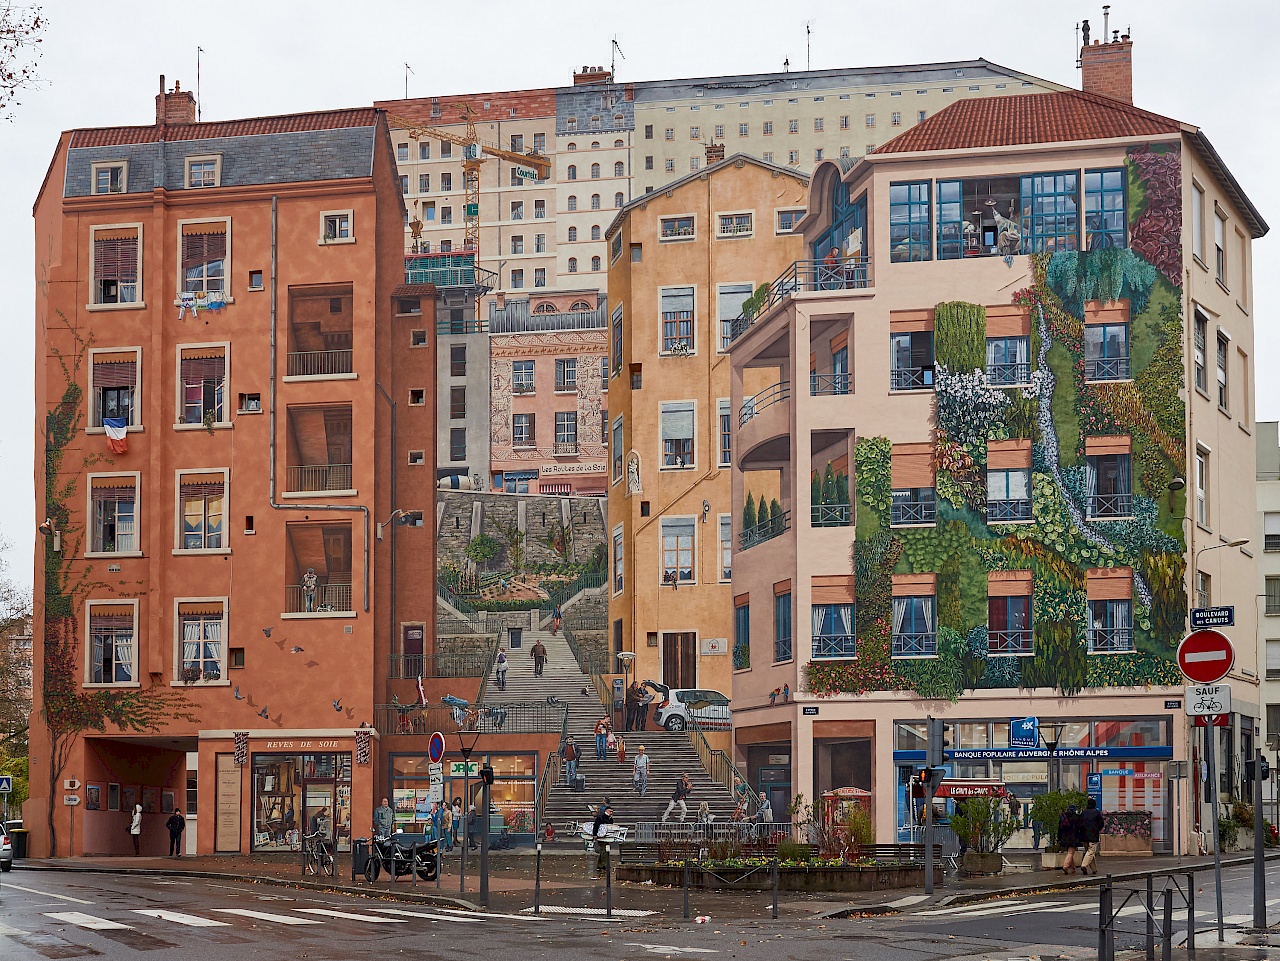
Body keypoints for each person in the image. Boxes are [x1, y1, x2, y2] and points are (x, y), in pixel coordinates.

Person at [1080, 798, 1104, 875]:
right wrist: (1097, 829)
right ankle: (1084, 865)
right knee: (1090, 852)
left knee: (1089, 852)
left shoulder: (1083, 812)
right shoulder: (1096, 812)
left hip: (1084, 835)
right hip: (1093, 835)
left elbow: (1080, 823)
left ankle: (1094, 869)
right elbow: (1101, 823)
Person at [1059, 803, 1084, 875]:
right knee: (1071, 853)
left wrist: (1059, 838)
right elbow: (1080, 828)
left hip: (1064, 838)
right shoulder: (1076, 817)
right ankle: (1065, 866)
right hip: (1073, 838)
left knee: (1070, 852)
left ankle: (1073, 868)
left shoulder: (1063, 817)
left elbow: (1060, 829)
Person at [592, 802, 614, 873]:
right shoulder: (601, 818)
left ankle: (601, 864)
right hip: (600, 837)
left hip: (606, 836)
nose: (611, 813)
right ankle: (603, 864)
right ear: (606, 811)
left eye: (612, 812)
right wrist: (595, 835)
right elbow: (596, 826)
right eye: (610, 811)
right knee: (603, 850)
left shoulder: (610, 819)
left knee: (604, 850)